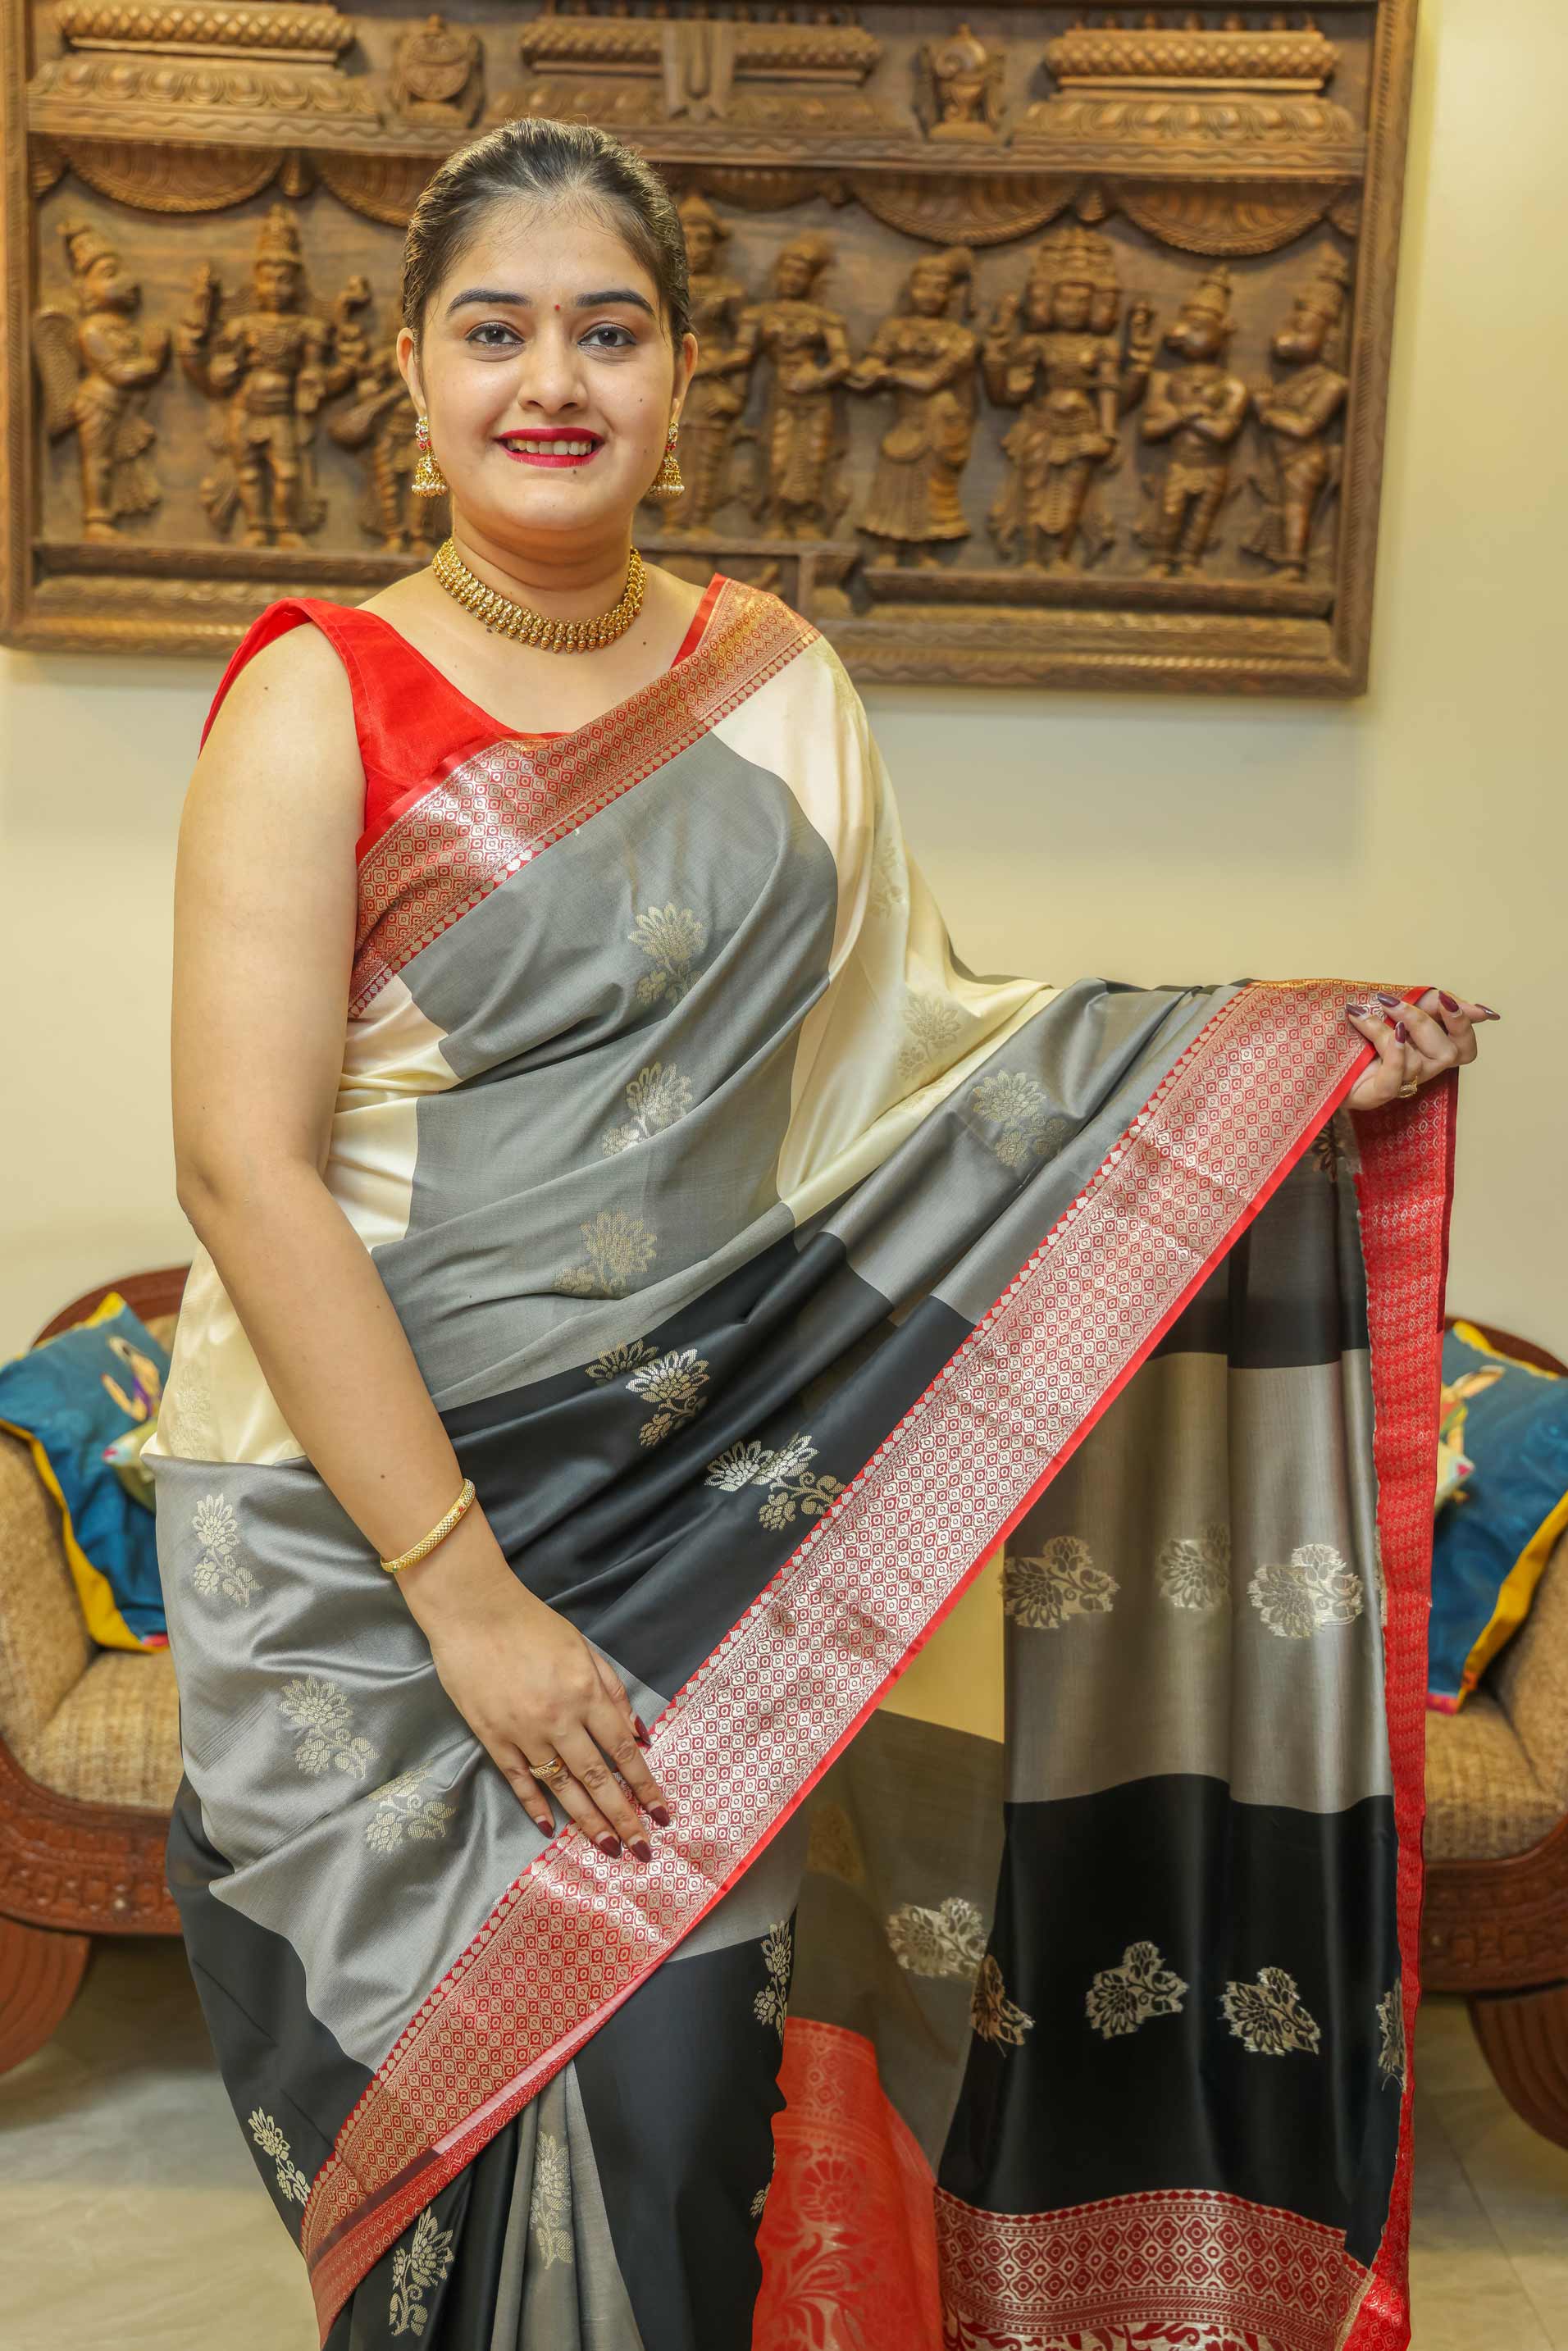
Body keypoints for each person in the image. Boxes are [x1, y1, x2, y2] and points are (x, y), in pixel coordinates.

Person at [144, 115, 1494, 2351]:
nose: (550, 381)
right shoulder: (316, 697)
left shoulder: (775, 681)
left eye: (608, 330)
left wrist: (1261, 1067)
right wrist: (469, 1605)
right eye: (494, 330)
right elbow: (239, 1168)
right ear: (410, 369)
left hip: (697, 1519)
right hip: (361, 1544)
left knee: (682, 2112)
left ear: (685, 372)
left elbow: (915, 1084)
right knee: (430, 2142)